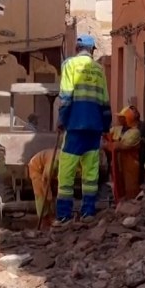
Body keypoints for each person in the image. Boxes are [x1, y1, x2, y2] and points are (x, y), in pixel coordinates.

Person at [56, 34, 112, 223]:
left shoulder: (69, 65)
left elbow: (65, 96)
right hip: (94, 127)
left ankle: (64, 215)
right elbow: (105, 102)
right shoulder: (99, 70)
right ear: (93, 51)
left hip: (75, 126)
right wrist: (105, 126)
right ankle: (88, 212)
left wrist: (61, 120)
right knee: (90, 172)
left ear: (76, 49)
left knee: (67, 171)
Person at [104, 106, 143, 201]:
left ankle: (132, 206)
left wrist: (106, 145)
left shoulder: (135, 133)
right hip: (118, 164)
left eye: (123, 117)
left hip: (130, 166)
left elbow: (120, 146)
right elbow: (107, 134)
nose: (120, 119)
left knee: (130, 188)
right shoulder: (118, 129)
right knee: (118, 186)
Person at [26, 148, 58, 227]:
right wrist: (49, 197)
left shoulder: (68, 159)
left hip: (46, 166)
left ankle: (51, 215)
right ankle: (43, 219)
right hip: (36, 168)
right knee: (40, 194)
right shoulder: (53, 163)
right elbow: (45, 180)